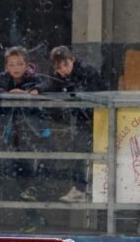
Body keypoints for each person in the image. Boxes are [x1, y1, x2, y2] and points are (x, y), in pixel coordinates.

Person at [0, 46, 51, 204]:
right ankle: (25, 190)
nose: (16, 68)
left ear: (27, 64)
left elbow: (47, 85)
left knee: (42, 156)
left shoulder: (34, 78)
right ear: (6, 66)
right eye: (11, 64)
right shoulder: (3, 78)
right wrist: (5, 94)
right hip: (11, 127)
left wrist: (31, 92)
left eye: (20, 64)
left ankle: (35, 188)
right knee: (17, 160)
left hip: (34, 127)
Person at [46, 46, 107, 203]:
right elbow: (50, 86)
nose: (63, 70)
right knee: (79, 150)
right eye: (58, 68)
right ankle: (80, 189)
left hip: (100, 117)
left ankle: (97, 189)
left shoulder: (87, 72)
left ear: (72, 60)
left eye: (65, 65)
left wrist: (73, 91)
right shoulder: (59, 77)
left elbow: (90, 94)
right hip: (84, 120)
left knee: (96, 151)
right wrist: (36, 89)